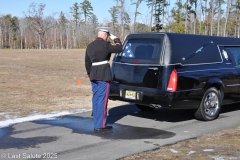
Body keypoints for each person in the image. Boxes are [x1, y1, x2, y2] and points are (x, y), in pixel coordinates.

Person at [85, 27, 123, 131]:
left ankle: (97, 121)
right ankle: (100, 125)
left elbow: (87, 63)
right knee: (102, 100)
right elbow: (120, 48)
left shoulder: (90, 46)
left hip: (93, 75)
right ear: (106, 35)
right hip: (103, 75)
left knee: (96, 99)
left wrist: (90, 75)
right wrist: (116, 39)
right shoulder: (106, 45)